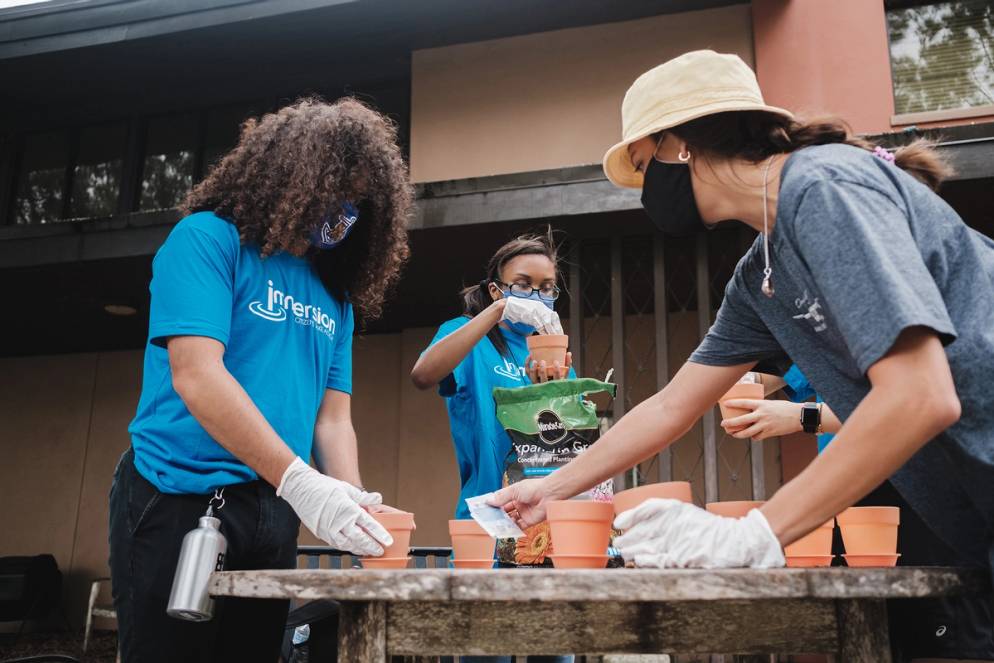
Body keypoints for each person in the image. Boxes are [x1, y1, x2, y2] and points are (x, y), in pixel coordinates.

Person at [490, 50, 994, 662]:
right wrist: (556, 489)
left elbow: (919, 394)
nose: (649, 189)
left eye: (647, 165)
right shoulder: (760, 274)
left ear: (681, 145)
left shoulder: (822, 186)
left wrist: (755, 534)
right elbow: (673, 404)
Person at [109, 98, 414, 663]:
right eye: (335, 190)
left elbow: (332, 417)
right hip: (178, 493)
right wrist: (302, 482)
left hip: (273, 507)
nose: (343, 211)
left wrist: (348, 498)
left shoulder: (335, 299)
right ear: (291, 176)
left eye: (358, 200)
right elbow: (197, 375)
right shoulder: (207, 240)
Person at [410, 230, 573, 663]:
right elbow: (424, 374)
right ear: (496, 288)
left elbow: (565, 452)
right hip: (486, 521)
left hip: (547, 530)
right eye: (523, 284)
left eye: (547, 288)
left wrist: (553, 393)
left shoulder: (552, 353)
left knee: (554, 652)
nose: (537, 296)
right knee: (486, 651)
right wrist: (497, 312)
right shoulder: (467, 335)